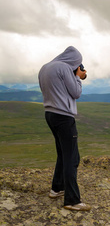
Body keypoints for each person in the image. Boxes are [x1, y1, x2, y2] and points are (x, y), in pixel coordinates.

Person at [38, 46, 91, 211]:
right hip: (63, 117)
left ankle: (57, 188)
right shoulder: (65, 68)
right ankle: (72, 200)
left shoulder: (45, 67)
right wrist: (77, 77)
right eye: (78, 63)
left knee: (62, 153)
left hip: (50, 114)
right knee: (72, 158)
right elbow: (76, 93)